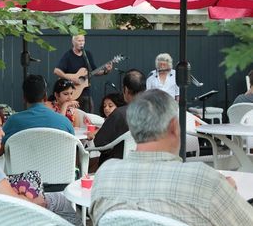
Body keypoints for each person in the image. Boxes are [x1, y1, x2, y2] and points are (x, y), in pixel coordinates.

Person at [90, 89, 253, 226]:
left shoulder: (104, 176)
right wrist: (224, 194)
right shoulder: (203, 180)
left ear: (133, 129)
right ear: (175, 127)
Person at [0, 100, 81, 225]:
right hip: (5, 218)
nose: (3, 133)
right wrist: (35, 202)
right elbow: (11, 200)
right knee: (60, 201)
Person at [0, 74, 74, 150]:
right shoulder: (64, 121)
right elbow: (73, 148)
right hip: (58, 161)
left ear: (24, 98)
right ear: (45, 97)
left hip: (23, 161)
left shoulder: (13, 122)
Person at [94, 69, 146, 166]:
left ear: (125, 90)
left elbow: (99, 143)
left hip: (116, 166)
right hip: (148, 164)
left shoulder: (120, 113)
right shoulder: (156, 112)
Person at [54, 34, 112, 113]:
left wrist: (106, 71)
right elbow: (56, 71)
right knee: (73, 114)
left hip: (85, 92)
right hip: (72, 92)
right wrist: (72, 78)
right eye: (79, 40)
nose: (81, 43)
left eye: (83, 40)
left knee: (89, 113)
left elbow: (94, 72)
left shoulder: (87, 55)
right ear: (73, 42)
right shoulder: (68, 55)